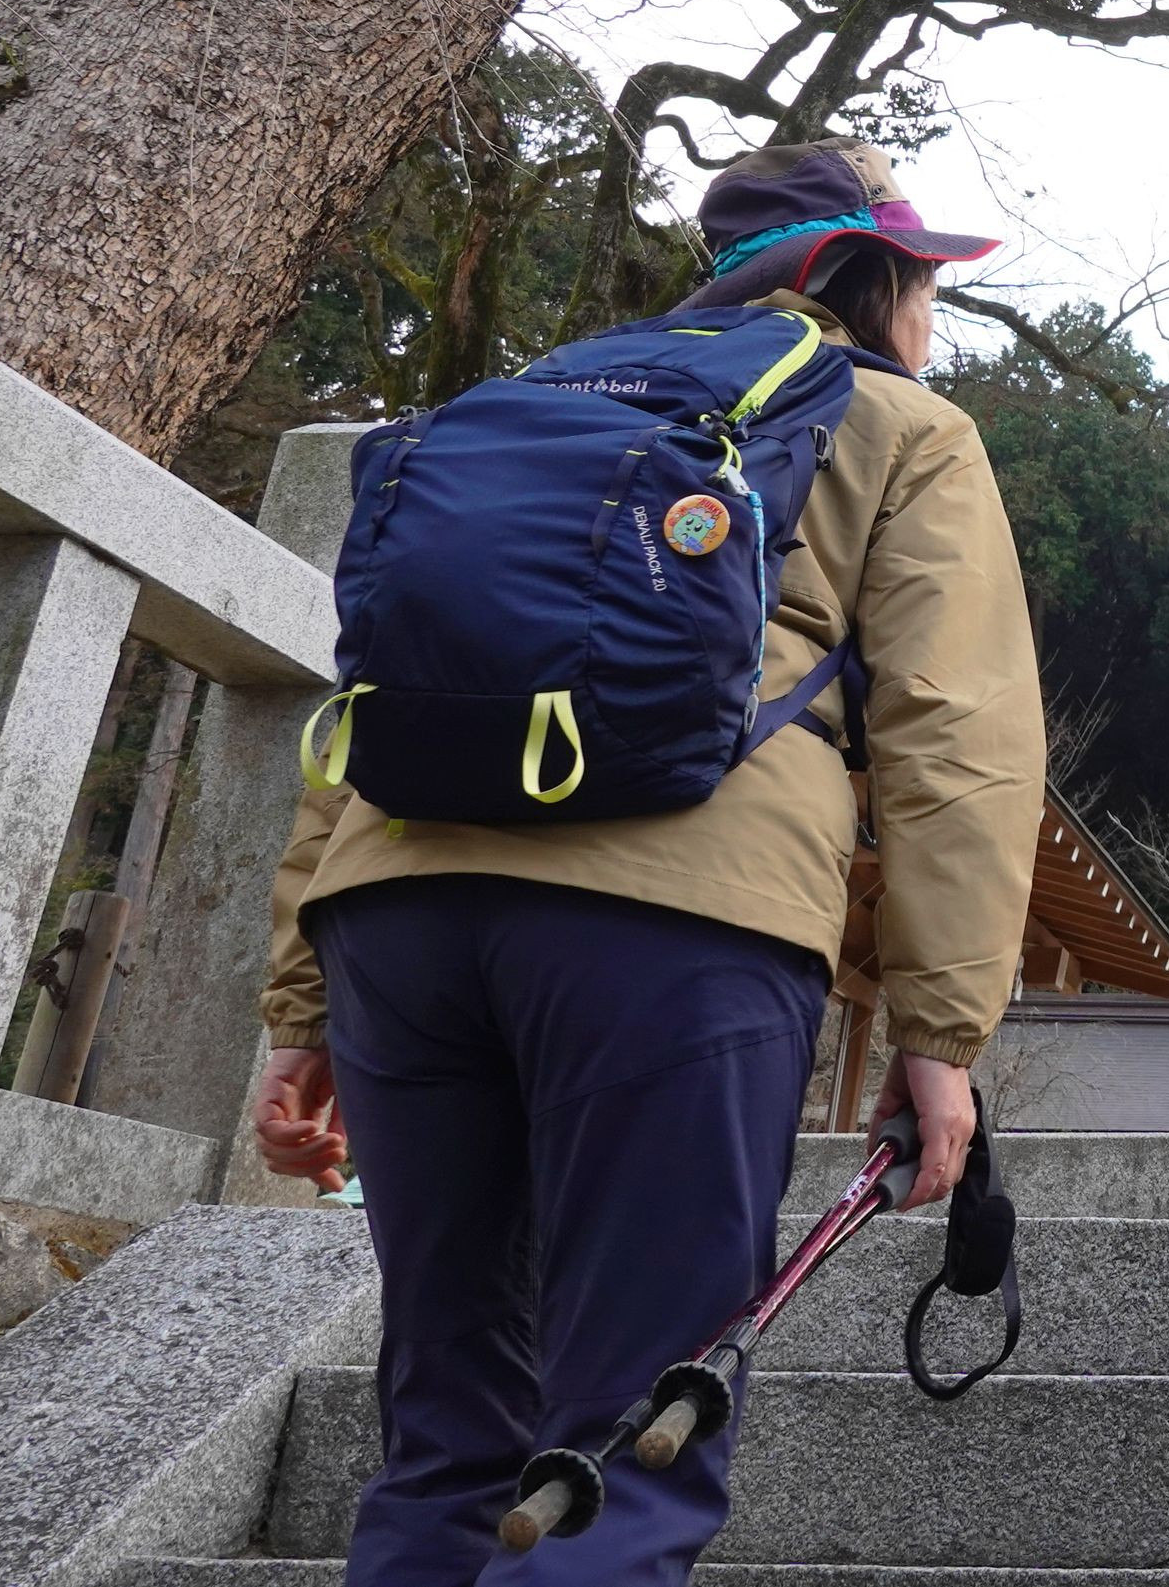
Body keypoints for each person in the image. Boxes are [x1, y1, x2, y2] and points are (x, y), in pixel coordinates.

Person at [247, 138, 1049, 1585]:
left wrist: (301, 1011)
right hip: (679, 927)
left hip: (397, 922)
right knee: (619, 1444)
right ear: (866, 277)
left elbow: (360, 703)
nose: (931, 320)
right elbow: (957, 736)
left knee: (446, 1431)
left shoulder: (526, 399)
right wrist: (941, 1036)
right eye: (927, 287)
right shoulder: (899, 423)